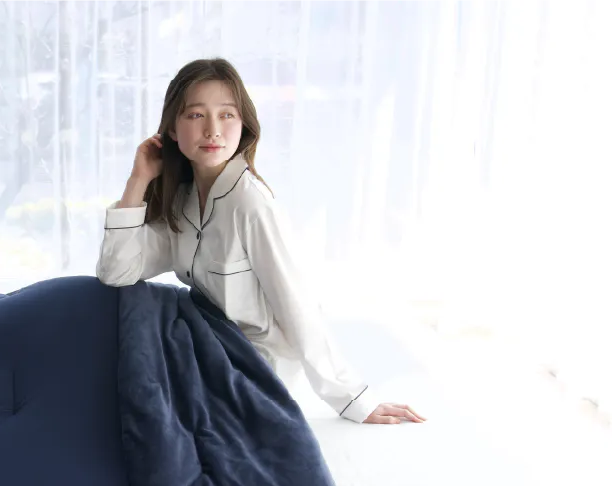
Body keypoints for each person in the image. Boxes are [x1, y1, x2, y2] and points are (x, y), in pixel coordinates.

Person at [96, 58, 424, 425]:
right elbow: (117, 273)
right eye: (196, 115)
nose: (212, 130)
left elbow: (296, 306)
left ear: (244, 125)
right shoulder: (181, 201)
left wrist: (353, 400)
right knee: (120, 328)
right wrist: (138, 180)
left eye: (226, 115)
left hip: (252, 365)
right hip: (206, 344)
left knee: (146, 398)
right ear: (172, 128)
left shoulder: (251, 204)